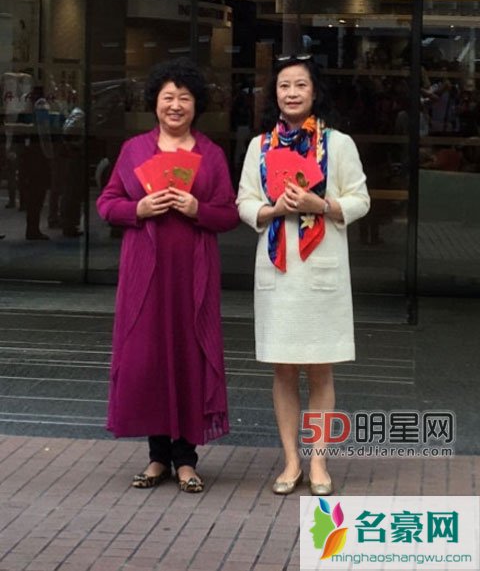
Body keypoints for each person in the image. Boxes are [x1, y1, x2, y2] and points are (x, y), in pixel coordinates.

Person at [97, 58, 239, 493]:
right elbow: (107, 203)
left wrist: (199, 210)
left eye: (185, 98)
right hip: (145, 274)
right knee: (148, 357)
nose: (175, 105)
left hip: (193, 273)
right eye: (168, 97)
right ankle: (158, 456)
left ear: (197, 105)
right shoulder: (135, 150)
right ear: (155, 102)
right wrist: (137, 209)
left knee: (189, 353)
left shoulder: (210, 155)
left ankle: (186, 460)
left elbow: (229, 214)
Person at [236, 54, 370, 496]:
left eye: (300, 85)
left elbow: (361, 199)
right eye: (283, 86)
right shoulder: (260, 146)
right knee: (283, 368)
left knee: (321, 369)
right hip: (278, 270)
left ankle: (318, 461)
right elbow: (244, 202)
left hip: (322, 267)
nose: (291, 93)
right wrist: (272, 209)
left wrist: (323, 205)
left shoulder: (338, 144)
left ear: (315, 91)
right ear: (274, 93)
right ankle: (291, 459)